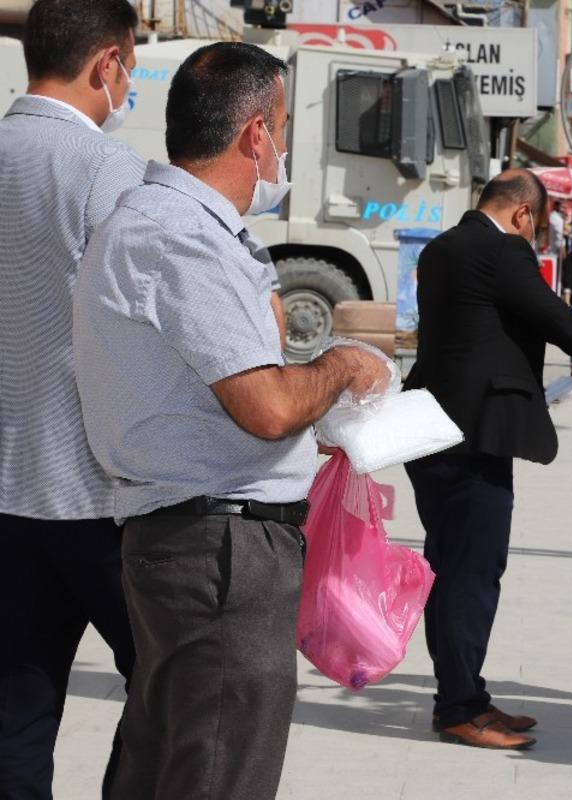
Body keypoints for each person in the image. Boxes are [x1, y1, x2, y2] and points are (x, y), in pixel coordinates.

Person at [72, 42, 392, 800]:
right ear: (256, 135)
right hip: (218, 550)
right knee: (219, 773)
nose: (280, 147)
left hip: (199, 540)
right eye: (280, 127)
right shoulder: (178, 234)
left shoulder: (177, 226)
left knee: (175, 765)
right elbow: (269, 406)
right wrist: (343, 365)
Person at [403, 169, 572, 751]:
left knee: (450, 566)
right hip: (477, 436)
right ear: (522, 215)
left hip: (432, 429)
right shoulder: (501, 250)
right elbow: (552, 314)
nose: (534, 237)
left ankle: (466, 692)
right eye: (536, 227)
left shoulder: (443, 248)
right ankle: (459, 709)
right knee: (472, 572)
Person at [0, 2, 142, 796]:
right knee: (168, 687)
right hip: (96, 495)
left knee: (15, 711)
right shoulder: (106, 170)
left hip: (4, 491)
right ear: (108, 65)